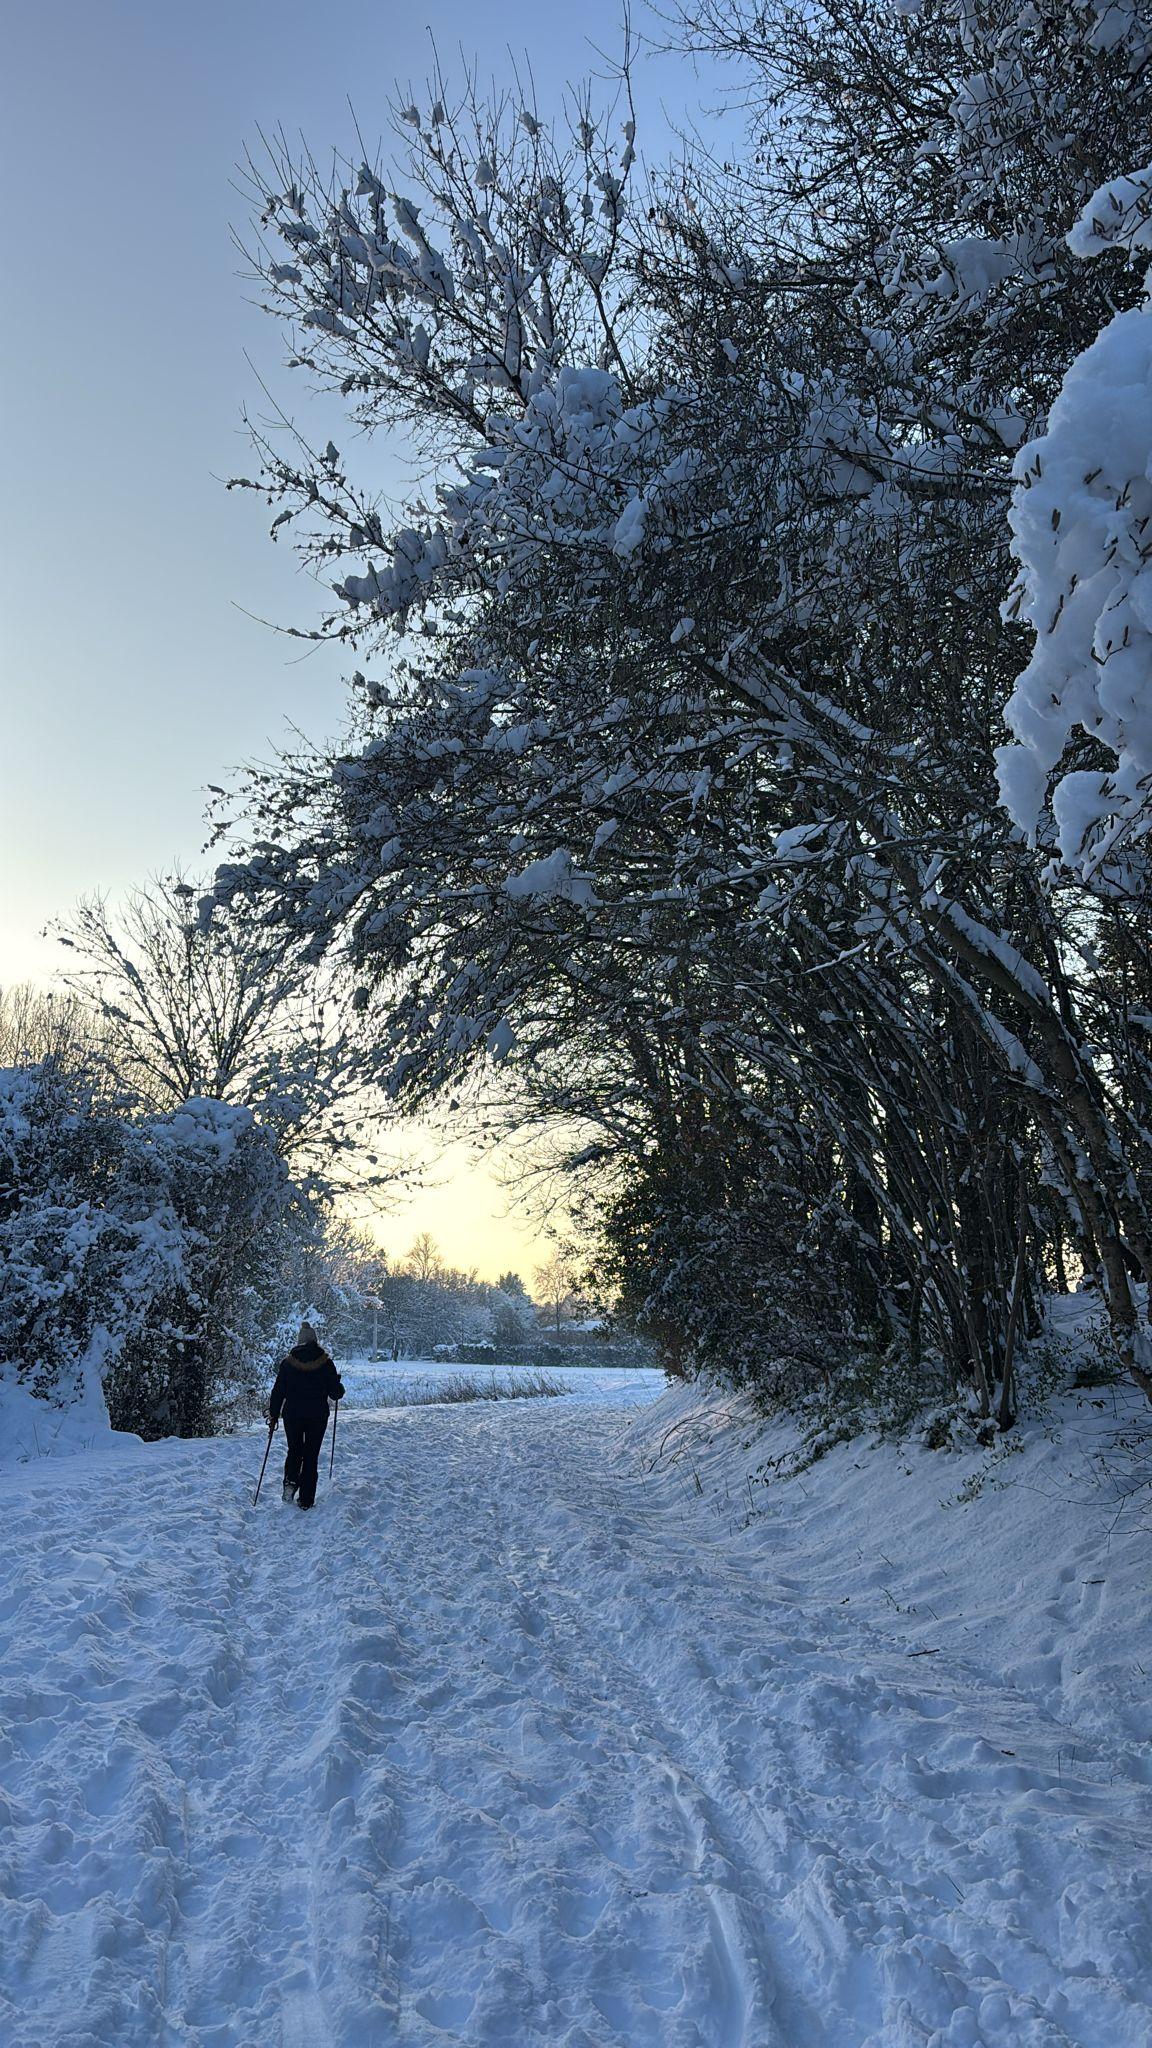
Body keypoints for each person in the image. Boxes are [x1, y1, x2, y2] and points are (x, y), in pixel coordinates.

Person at [268, 1322, 345, 1511]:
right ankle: (306, 1499)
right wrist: (338, 1385)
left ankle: (291, 1482)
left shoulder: (288, 1363)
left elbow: (279, 1391)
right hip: (317, 1415)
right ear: (315, 1341)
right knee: (311, 1455)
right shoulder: (326, 1363)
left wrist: (274, 1414)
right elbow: (335, 1393)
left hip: (292, 1415)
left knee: (294, 1449)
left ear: (299, 1341)